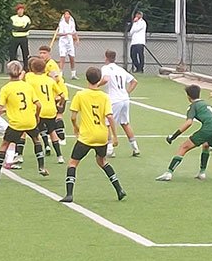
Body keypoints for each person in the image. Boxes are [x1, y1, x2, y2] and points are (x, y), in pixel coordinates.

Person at [61, 67, 127, 203]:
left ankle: (69, 194)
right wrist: (114, 136)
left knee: (73, 163)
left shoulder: (80, 95)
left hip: (86, 136)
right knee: (102, 161)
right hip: (101, 136)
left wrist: (75, 128)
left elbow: (73, 116)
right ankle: (119, 189)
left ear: (86, 78)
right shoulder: (104, 97)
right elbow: (110, 117)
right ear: (100, 79)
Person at [156, 84, 212, 181]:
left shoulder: (193, 106)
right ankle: (202, 173)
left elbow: (189, 123)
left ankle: (168, 173)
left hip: (209, 129)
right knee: (205, 145)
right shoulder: (206, 104)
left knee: (183, 147)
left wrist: (173, 136)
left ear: (188, 96)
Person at [0, 60, 44, 181]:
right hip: (30, 121)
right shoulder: (27, 86)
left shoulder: (6, 88)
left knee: (4, 145)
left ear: (8, 73)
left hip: (16, 123)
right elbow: (39, 105)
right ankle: (41, 167)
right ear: (20, 72)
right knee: (37, 140)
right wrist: (37, 116)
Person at [98, 49, 141, 156]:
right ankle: (135, 148)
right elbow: (134, 81)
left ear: (106, 57)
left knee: (107, 123)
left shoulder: (106, 68)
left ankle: (110, 149)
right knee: (125, 123)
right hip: (125, 99)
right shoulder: (120, 69)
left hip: (114, 100)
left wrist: (97, 84)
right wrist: (126, 92)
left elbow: (106, 79)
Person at [25, 56, 64, 168]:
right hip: (51, 109)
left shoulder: (30, 79)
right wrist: (59, 104)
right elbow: (61, 95)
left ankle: (21, 155)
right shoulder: (49, 80)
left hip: (38, 109)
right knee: (52, 131)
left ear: (32, 67)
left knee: (33, 133)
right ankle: (59, 156)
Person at [55, 10, 79, 78]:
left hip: (70, 42)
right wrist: (67, 33)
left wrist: (77, 39)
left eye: (68, 14)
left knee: (72, 58)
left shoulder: (72, 22)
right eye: (65, 14)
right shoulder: (62, 23)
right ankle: (60, 73)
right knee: (62, 57)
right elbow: (59, 33)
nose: (67, 16)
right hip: (63, 43)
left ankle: (73, 74)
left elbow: (74, 31)